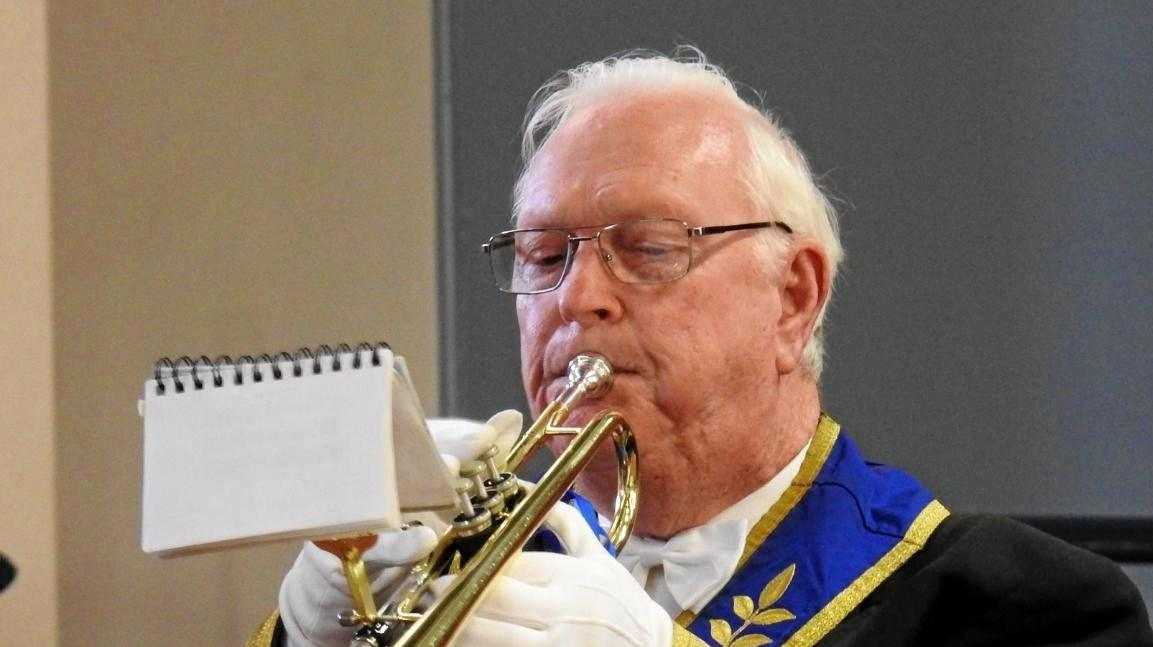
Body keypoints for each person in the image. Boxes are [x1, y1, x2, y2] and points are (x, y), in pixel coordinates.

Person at [266, 48, 1152, 646]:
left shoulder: (1023, 606)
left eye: (648, 249)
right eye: (543, 255)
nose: (577, 297)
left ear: (793, 298)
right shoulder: (463, 576)